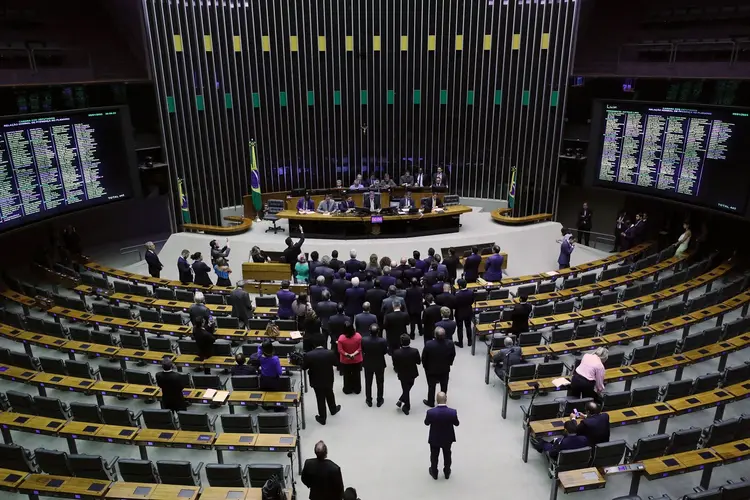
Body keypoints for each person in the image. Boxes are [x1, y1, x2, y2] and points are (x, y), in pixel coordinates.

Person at [302, 339, 341, 425]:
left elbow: (304, 367)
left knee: (320, 398)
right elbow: (336, 363)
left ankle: (322, 418)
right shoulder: (330, 353)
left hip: (316, 379)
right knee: (330, 393)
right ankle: (333, 409)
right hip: (328, 378)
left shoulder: (309, 355)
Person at [422, 327, 456, 407]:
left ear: (435, 335)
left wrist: (425, 367)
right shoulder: (450, 343)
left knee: (431, 386)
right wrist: (449, 363)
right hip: (444, 369)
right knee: (444, 386)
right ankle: (442, 401)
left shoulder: (429, 344)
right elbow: (453, 355)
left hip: (431, 370)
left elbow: (424, 358)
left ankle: (430, 402)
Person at [392, 334, 421, 415]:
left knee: (405, 388)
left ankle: (401, 400)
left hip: (402, 373)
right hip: (412, 373)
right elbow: (418, 362)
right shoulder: (415, 351)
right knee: (408, 388)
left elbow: (395, 364)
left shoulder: (396, 352)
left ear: (401, 342)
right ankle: (406, 406)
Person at [360, 323, 388, 407]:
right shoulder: (382, 341)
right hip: (379, 363)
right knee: (380, 382)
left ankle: (368, 399)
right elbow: (385, 352)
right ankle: (379, 399)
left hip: (368, 363)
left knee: (368, 382)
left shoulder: (364, 340)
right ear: (378, 331)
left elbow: (363, 350)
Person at [453, 279, 474, 347]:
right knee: (468, 327)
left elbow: (455, 304)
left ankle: (460, 343)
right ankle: (470, 341)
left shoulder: (457, 295)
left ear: (460, 286)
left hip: (459, 313)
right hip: (468, 311)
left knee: (460, 328)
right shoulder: (471, 292)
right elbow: (472, 301)